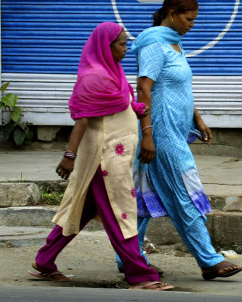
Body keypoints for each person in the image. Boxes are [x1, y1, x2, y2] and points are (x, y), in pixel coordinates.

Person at [29, 22, 173, 291]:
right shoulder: (94, 77)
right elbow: (83, 120)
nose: (126, 50)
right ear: (105, 47)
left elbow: (119, 105)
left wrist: (135, 110)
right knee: (121, 213)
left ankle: (43, 262)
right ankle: (139, 275)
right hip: (103, 160)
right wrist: (69, 156)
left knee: (82, 209)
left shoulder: (113, 72)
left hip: (116, 158)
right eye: (121, 44)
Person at [126, 0, 242, 280]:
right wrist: (148, 134)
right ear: (172, 13)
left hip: (175, 130)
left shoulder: (174, 44)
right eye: (189, 19)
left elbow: (181, 88)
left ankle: (129, 259)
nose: (192, 25)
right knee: (184, 194)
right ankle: (208, 259)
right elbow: (143, 89)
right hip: (161, 132)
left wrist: (198, 119)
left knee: (143, 199)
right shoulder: (154, 44)